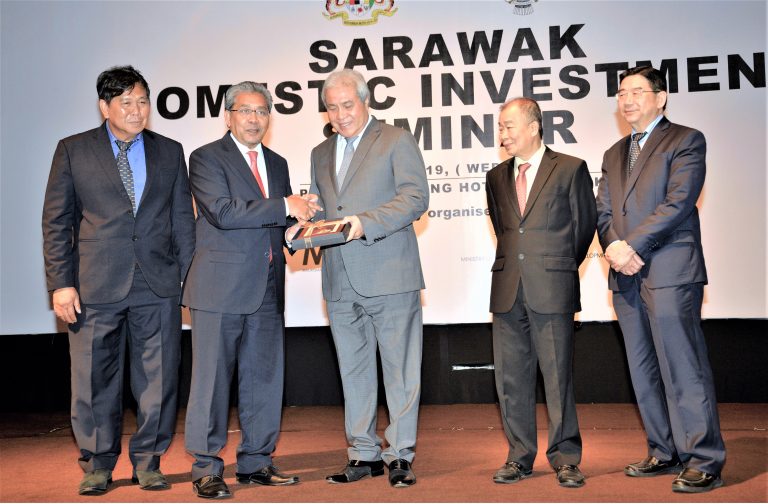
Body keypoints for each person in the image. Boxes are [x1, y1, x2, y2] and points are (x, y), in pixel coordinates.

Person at [41, 65, 195, 495]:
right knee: (93, 378)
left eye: (142, 101)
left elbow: (182, 220)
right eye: (126, 102)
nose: (136, 110)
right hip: (94, 284)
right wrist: (60, 283)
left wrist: (189, 278)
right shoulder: (73, 150)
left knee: (158, 379)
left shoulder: (170, 151)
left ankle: (148, 461)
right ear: (104, 106)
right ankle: (97, 463)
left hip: (157, 283)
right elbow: (57, 222)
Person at [182, 81, 319, 499]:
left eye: (262, 111)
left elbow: (276, 223)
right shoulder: (206, 158)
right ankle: (206, 467)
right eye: (245, 111)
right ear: (228, 116)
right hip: (218, 289)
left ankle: (256, 462)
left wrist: (300, 230)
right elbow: (223, 212)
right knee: (211, 382)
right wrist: (286, 206)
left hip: (267, 286)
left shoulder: (277, 163)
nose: (254, 119)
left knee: (264, 379)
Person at [596, 66, 725, 493]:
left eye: (637, 91)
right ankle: (663, 449)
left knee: (682, 365)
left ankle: (703, 457)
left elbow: (678, 201)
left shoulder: (686, 140)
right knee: (643, 368)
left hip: (670, 269)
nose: (627, 100)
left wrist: (631, 246)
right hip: (625, 275)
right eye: (621, 93)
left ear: (661, 97)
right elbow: (603, 212)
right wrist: (614, 247)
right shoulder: (614, 153)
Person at [305, 69, 429, 488]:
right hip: (339, 278)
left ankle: (400, 455)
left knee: (400, 372)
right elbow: (323, 209)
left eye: (347, 105)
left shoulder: (395, 139)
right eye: (332, 107)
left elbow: (415, 197)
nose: (340, 114)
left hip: (390, 274)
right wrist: (306, 221)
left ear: (365, 101)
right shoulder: (320, 152)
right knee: (353, 371)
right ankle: (363, 453)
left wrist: (365, 223)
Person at [485, 97, 596, 488]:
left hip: (552, 286)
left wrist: (556, 267)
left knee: (557, 377)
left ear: (533, 127)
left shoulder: (570, 168)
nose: (502, 134)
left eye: (509, 126)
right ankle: (519, 457)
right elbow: (504, 229)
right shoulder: (495, 176)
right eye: (500, 127)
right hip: (507, 289)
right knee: (511, 380)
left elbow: (583, 228)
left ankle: (566, 458)